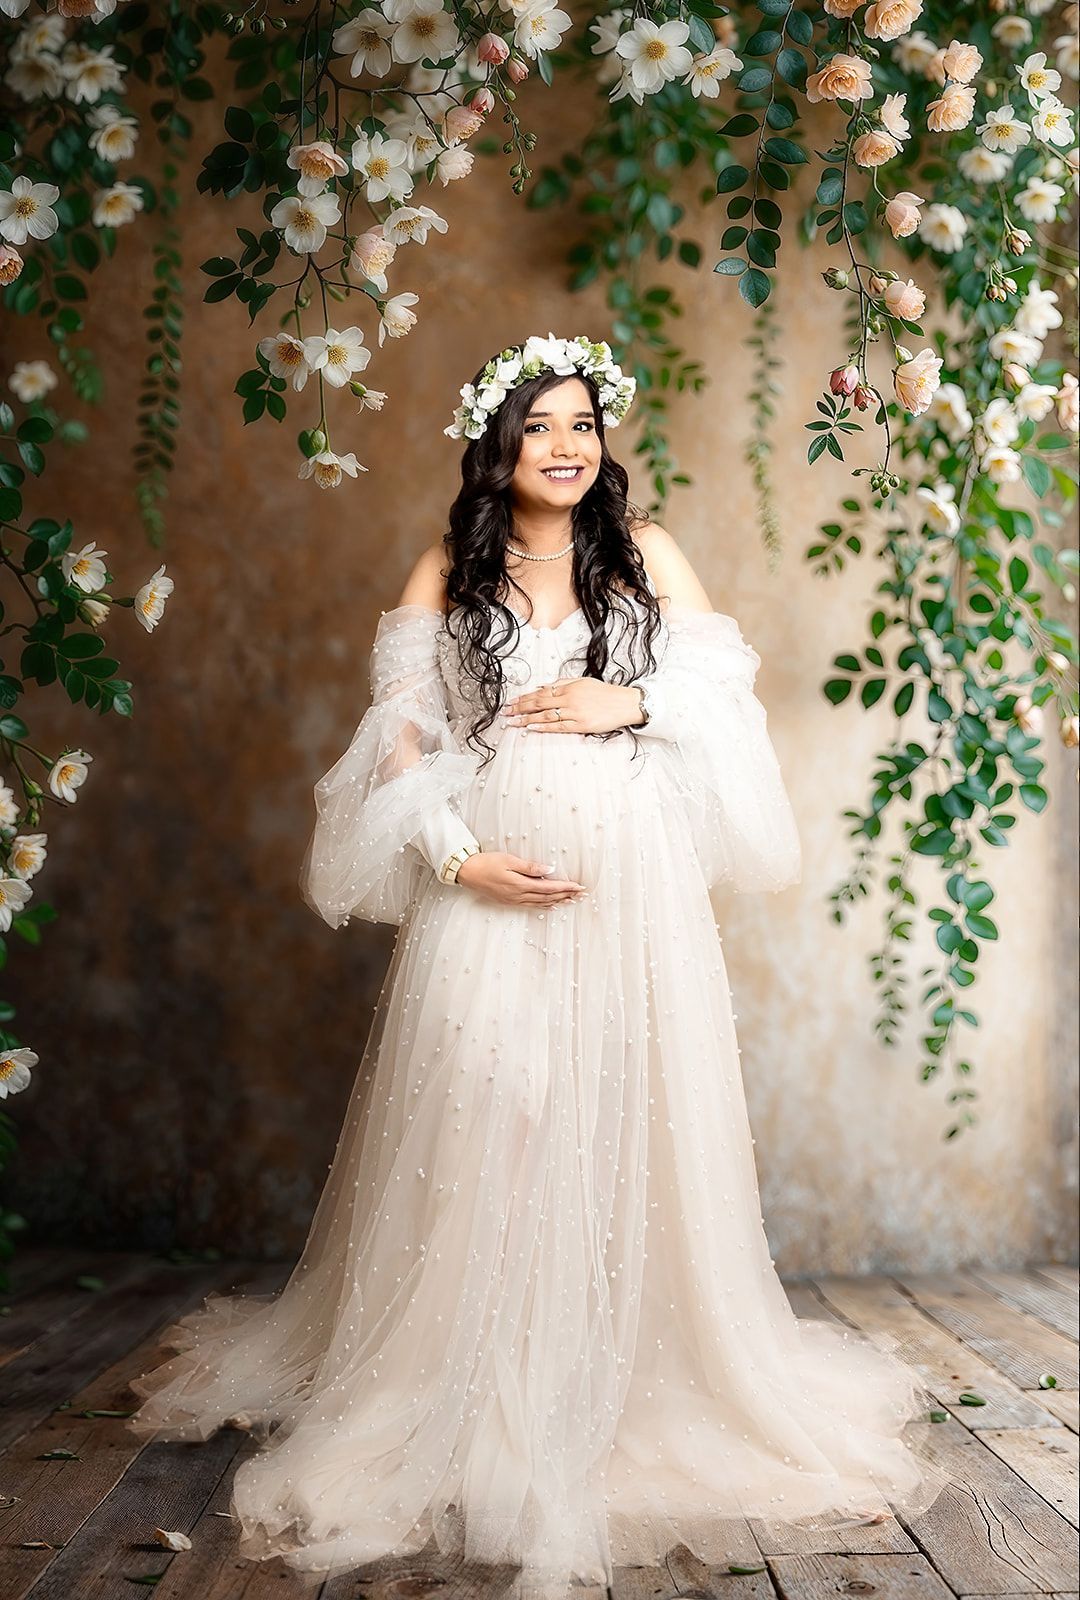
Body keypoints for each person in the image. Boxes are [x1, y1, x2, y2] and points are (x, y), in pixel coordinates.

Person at [127, 333, 949, 1596]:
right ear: (495, 446)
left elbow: (727, 719)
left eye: (582, 424)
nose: (565, 447)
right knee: (487, 1116)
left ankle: (614, 1377)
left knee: (625, 1117)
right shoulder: (447, 569)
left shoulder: (648, 557)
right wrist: (462, 863)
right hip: (494, 883)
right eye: (539, 427)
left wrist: (637, 704)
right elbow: (399, 744)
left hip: (635, 892)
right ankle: (472, 1382)